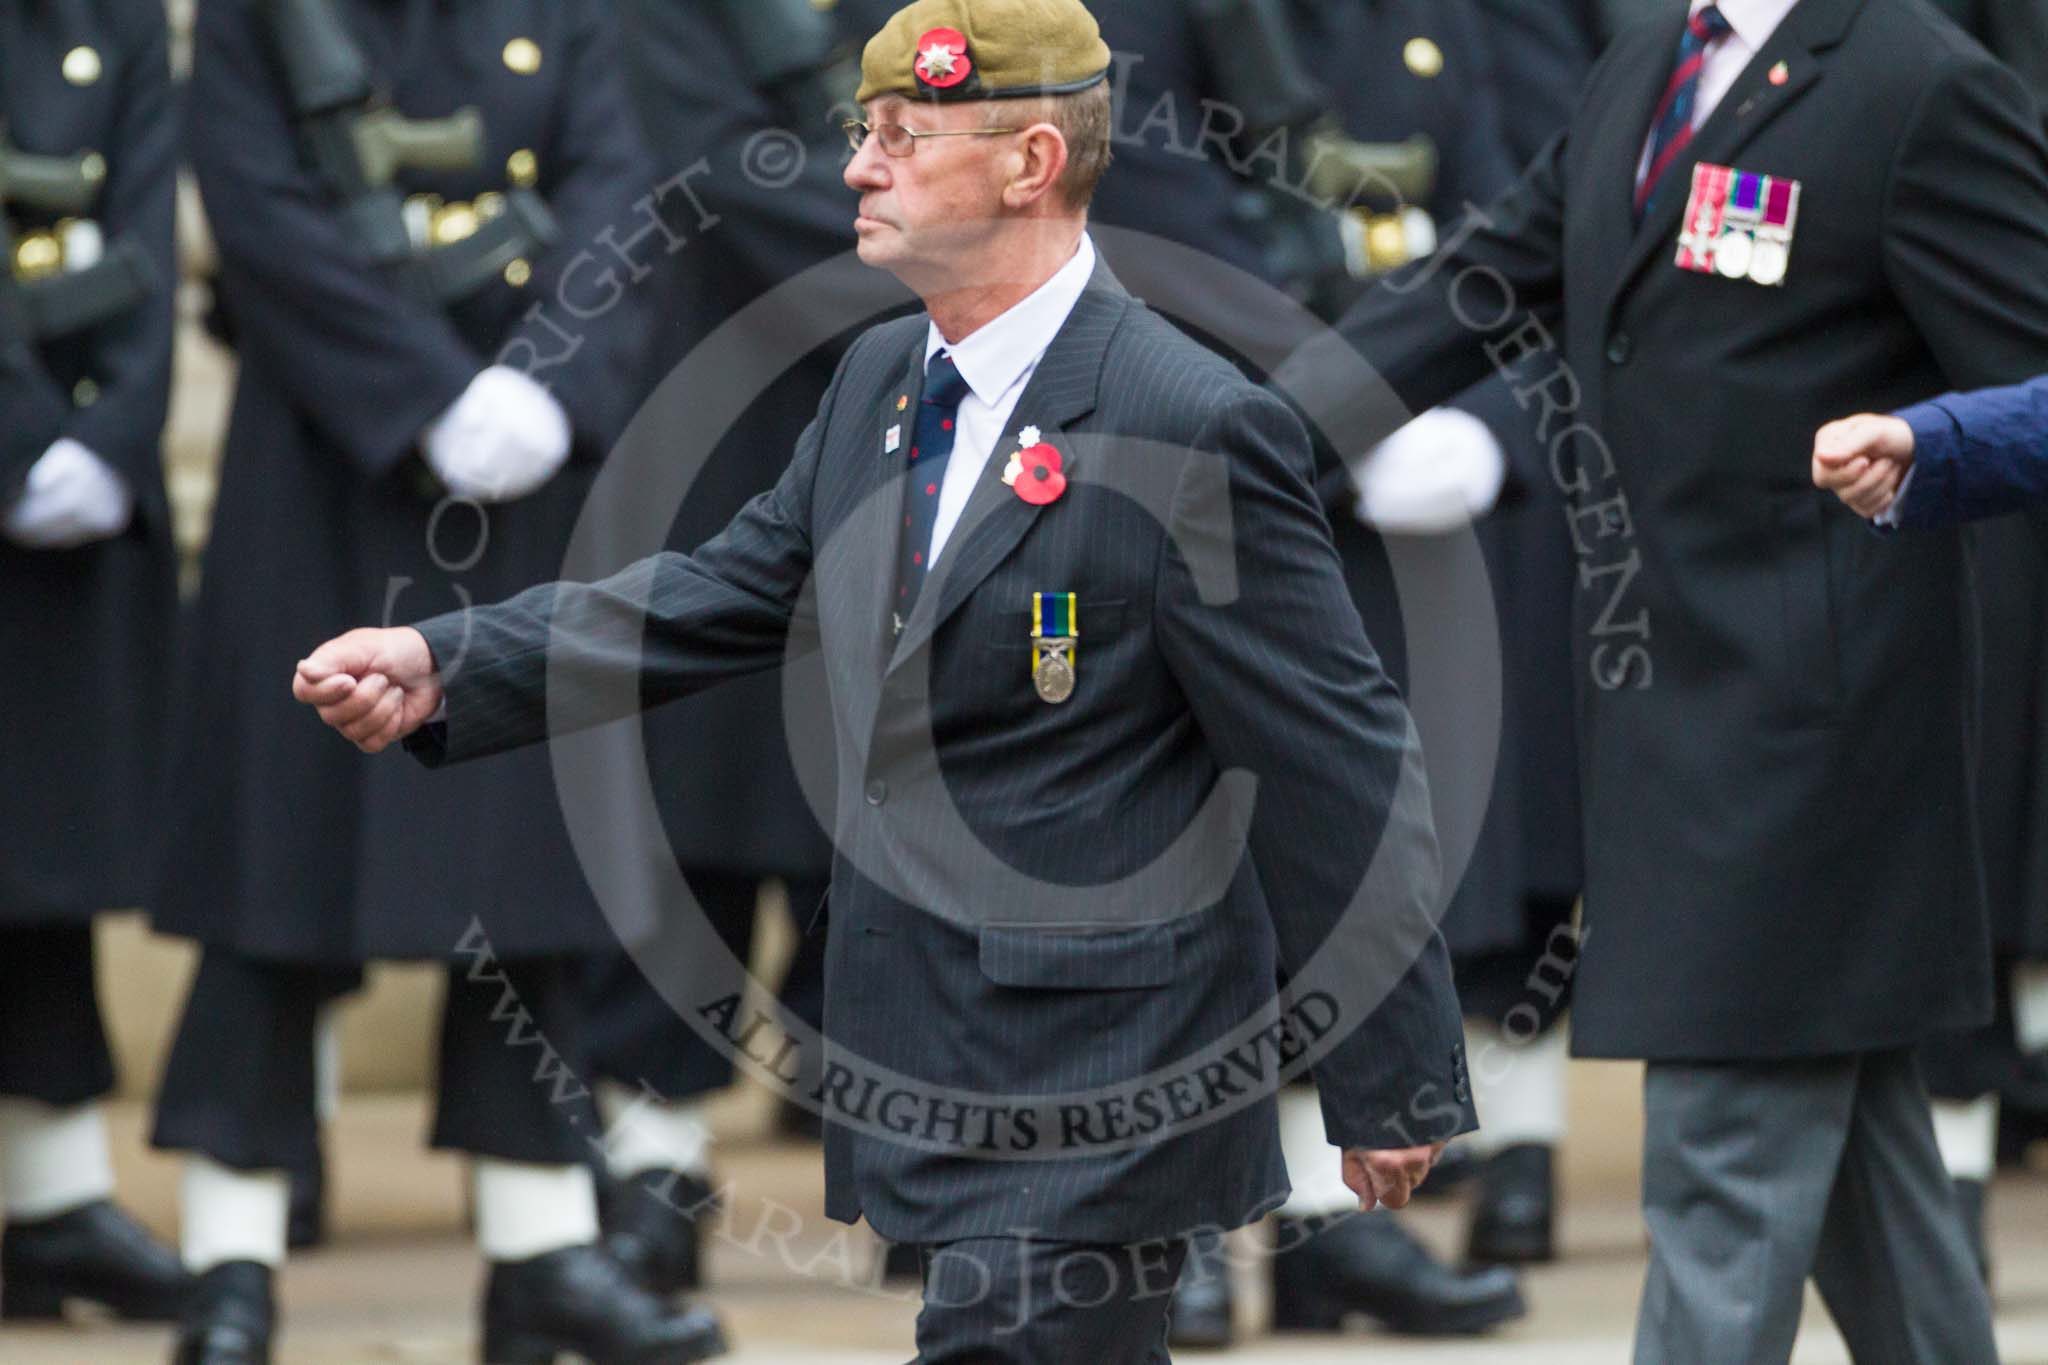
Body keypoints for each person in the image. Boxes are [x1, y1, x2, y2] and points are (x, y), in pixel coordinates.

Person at [290, 1, 1478, 1358]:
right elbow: (722, 590)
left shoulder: (1193, 421)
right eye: (866, 131)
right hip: (930, 1058)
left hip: (1105, 1086)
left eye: (905, 138)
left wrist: (1391, 1075)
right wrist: (451, 660)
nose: (859, 165)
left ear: (1031, 162)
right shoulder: (878, 384)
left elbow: (1339, 757)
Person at [1277, 0, 2048, 1358]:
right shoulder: (1652, 57)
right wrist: (1257, 423)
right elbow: (1482, 279)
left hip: (1819, 730)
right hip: (1675, 707)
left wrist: (1935, 437)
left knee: (1722, 1171)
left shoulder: (1920, 83)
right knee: (1867, 1192)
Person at [148, 1, 724, 1361]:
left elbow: (615, 197)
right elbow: (263, 219)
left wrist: (546, 391)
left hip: (519, 483)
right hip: (320, 474)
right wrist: (417, 397)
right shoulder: (261, 19)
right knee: (272, 892)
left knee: (522, 887)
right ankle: (231, 1259)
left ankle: (538, 1256)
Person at [578, 0, 857, 1297]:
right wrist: (962, 243)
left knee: (884, 805)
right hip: (714, 421)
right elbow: (722, 168)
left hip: (893, 420)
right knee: (686, 813)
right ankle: (652, 1156)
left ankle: (917, 1158)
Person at [0, 0, 188, 1325]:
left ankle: (51, 1199)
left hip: (76, 483)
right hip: (27, 449)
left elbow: (143, 232)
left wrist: (112, 437)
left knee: (40, 850)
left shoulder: (108, 16)